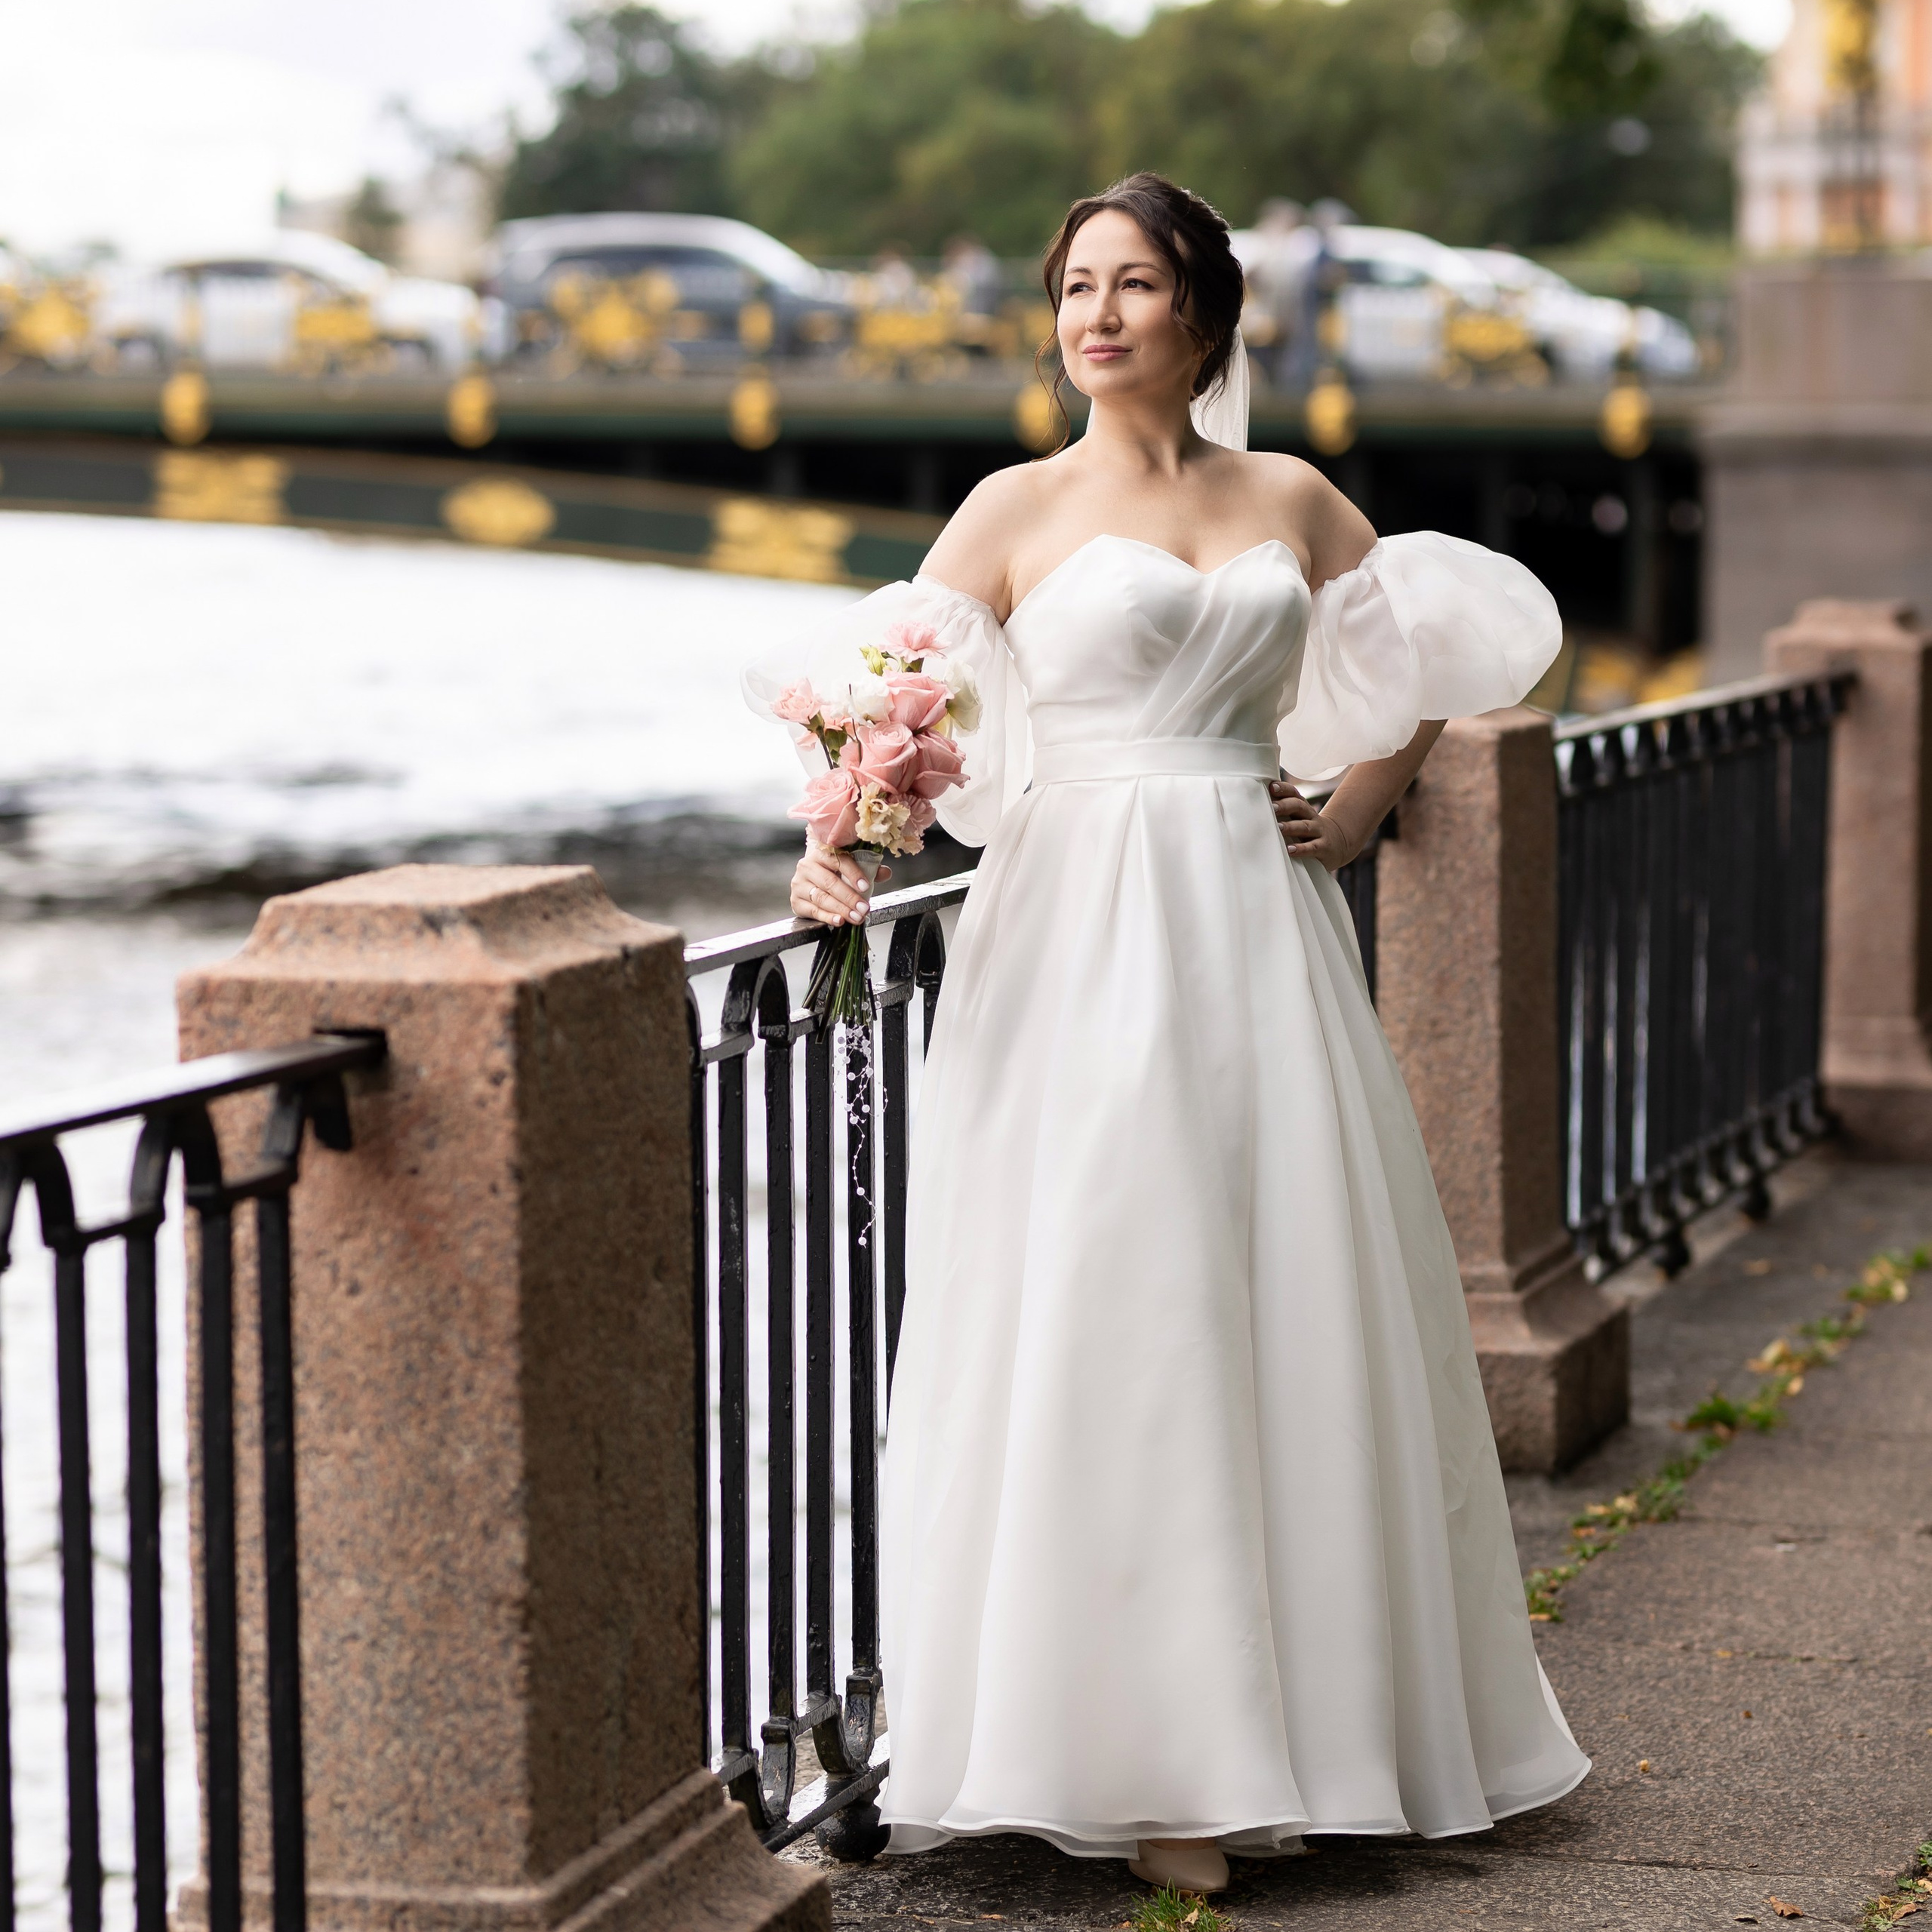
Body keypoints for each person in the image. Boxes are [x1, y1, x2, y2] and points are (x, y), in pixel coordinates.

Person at [750, 172, 1588, 1897]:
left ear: (1201, 315)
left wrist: (1356, 811)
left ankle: (1314, 1722)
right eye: (1074, 285)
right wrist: (829, 852)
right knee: (1108, 1294)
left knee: (1275, 1287)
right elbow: (887, 729)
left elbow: (1436, 658)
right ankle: (1138, 1758)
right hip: (1070, 936)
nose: (1097, 313)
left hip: (1248, 925)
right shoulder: (1005, 508)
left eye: (1134, 284)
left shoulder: (1284, 490)